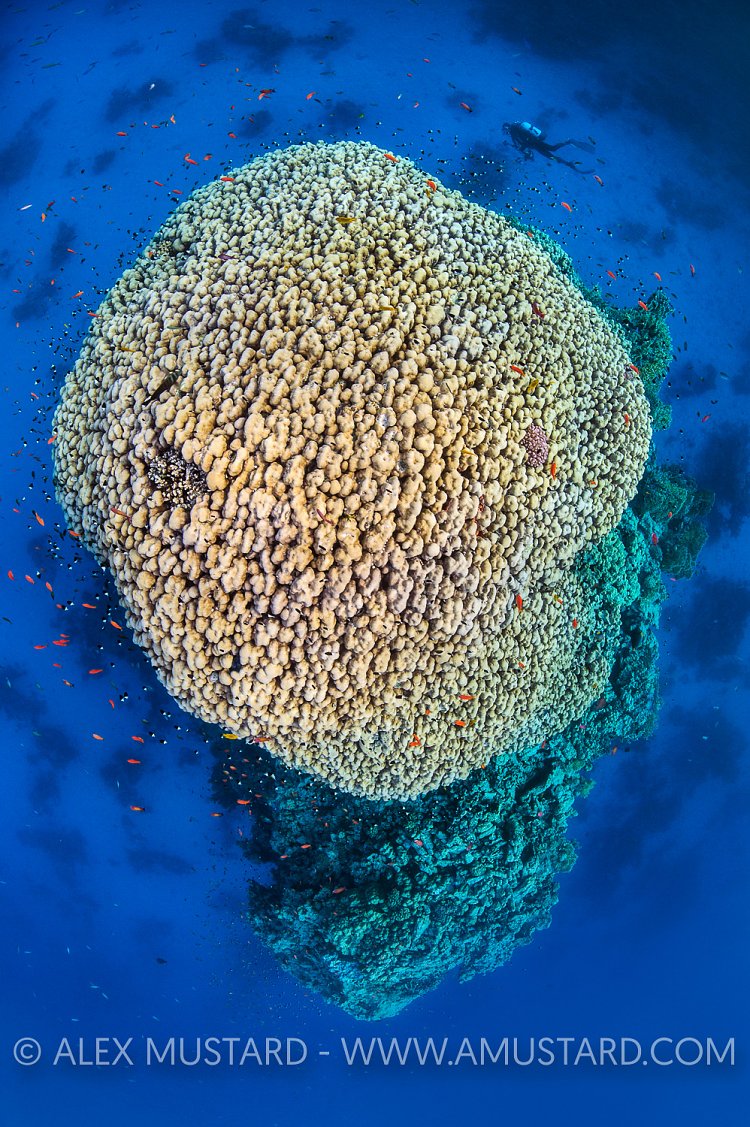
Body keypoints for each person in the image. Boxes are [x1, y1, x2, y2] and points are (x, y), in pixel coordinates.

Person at [502, 121, 595, 173]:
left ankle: (568, 142)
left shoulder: (514, 132)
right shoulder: (516, 130)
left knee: (552, 152)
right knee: (552, 153)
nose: (506, 133)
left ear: (507, 128)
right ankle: (568, 162)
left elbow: (521, 144)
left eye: (505, 131)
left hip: (536, 143)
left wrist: (524, 151)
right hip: (536, 144)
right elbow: (522, 143)